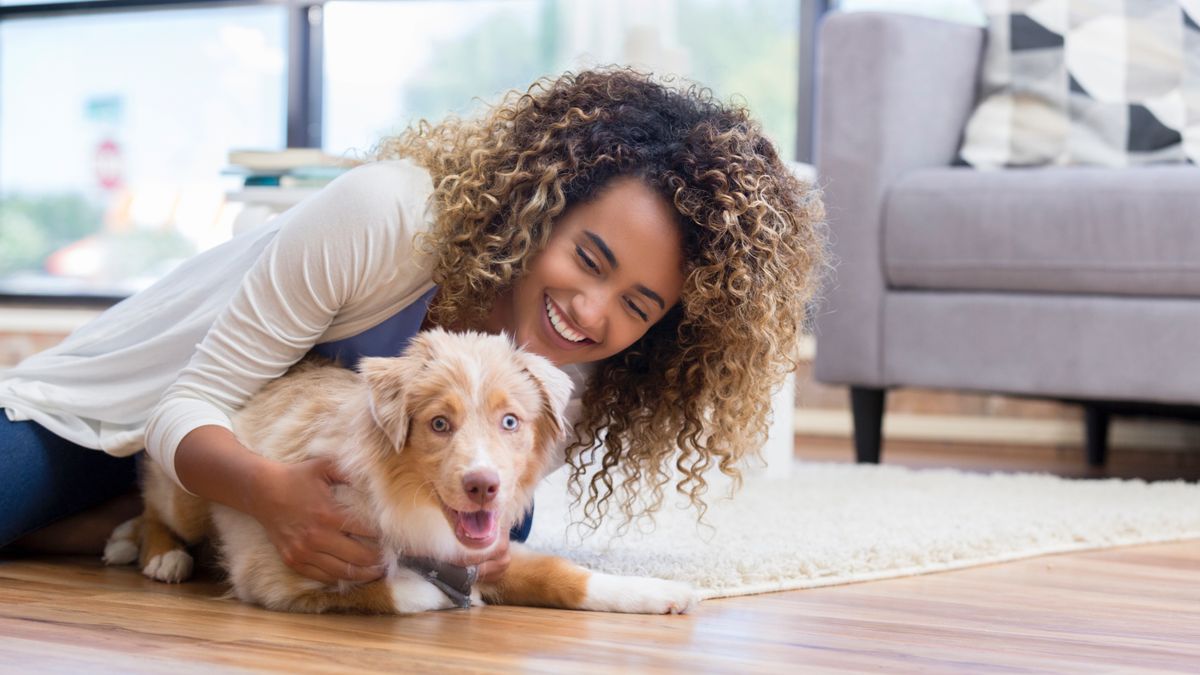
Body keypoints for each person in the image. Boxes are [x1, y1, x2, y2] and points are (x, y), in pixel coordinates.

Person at [0, 68, 825, 586]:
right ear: (548, 204)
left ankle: (124, 521)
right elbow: (188, 402)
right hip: (106, 411)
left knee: (503, 517)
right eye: (591, 257)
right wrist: (272, 497)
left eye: (639, 306)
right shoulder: (386, 216)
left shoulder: (569, 359)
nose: (592, 311)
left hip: (226, 457)